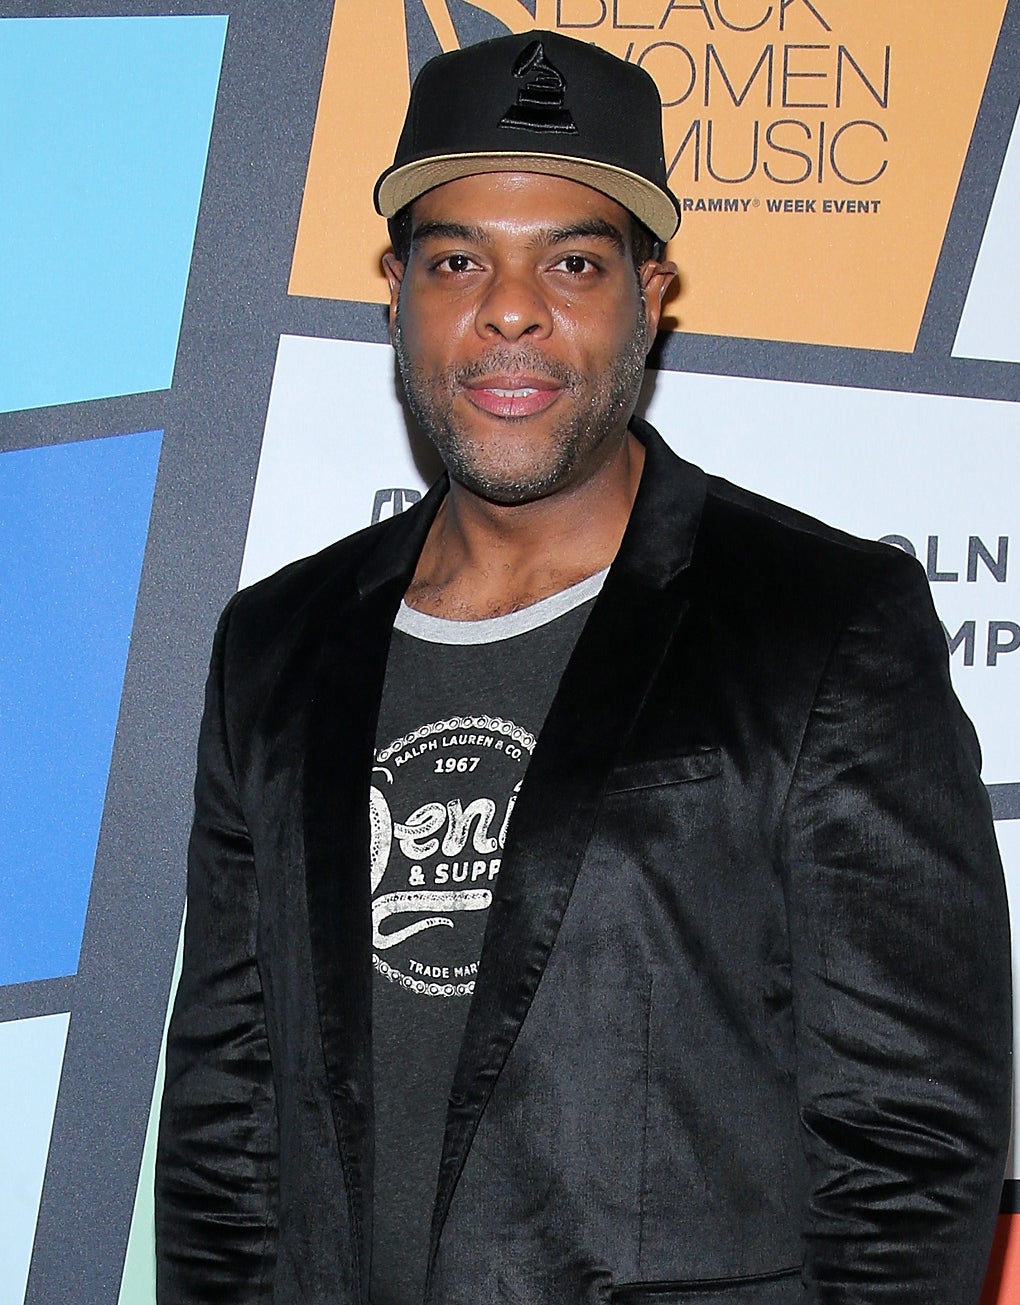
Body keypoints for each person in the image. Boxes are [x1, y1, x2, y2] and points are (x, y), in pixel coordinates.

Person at [155, 28, 1012, 1305]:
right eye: (457, 260)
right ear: (393, 290)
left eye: (570, 260)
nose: (510, 310)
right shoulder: (277, 644)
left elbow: (913, 1149)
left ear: (650, 295)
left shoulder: (824, 621)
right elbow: (229, 1122)